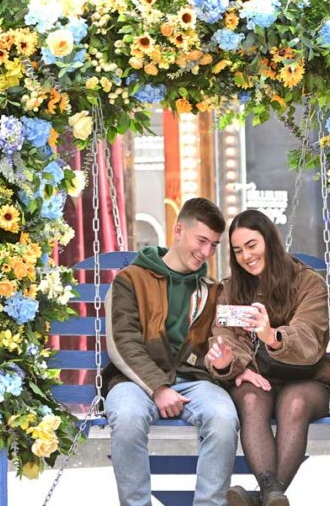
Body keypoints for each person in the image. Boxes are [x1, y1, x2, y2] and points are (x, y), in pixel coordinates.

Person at [102, 197, 239, 506]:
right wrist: (159, 387)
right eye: (201, 240)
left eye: (214, 245)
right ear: (178, 230)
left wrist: (222, 362)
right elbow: (123, 342)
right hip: (134, 381)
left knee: (223, 417)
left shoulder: (212, 290)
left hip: (192, 381)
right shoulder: (130, 281)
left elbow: (218, 347)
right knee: (127, 416)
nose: (205, 252)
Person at [204, 209, 330, 506]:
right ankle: (271, 497)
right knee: (250, 399)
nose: (246, 256)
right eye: (238, 251)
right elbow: (224, 336)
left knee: (294, 403)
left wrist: (271, 335)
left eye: (252, 245)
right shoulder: (230, 289)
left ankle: (260, 497)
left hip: (307, 380)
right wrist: (227, 362)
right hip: (255, 377)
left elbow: (309, 338)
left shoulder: (309, 284)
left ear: (270, 242)